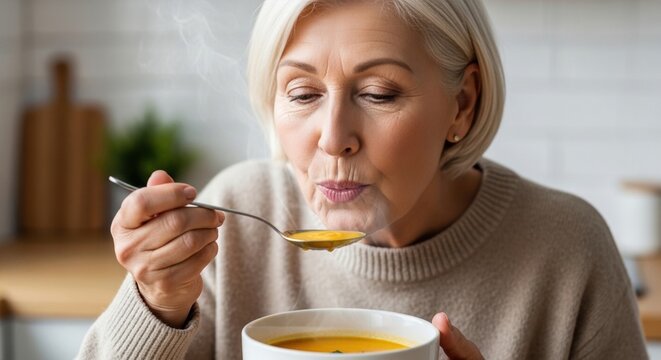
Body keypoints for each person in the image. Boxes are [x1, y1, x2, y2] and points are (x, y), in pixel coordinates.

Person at [78, 0, 648, 359]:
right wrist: (156, 303)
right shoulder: (237, 217)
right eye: (302, 94)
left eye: (378, 94)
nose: (333, 137)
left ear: (463, 105)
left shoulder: (567, 249)